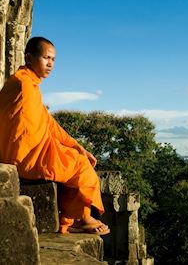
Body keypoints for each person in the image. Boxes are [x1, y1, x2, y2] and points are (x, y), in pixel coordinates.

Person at [0, 36, 109, 235]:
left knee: (77, 158)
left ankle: (72, 218)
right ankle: (80, 219)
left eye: (53, 59)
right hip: (25, 157)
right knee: (81, 166)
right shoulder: (21, 83)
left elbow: (50, 124)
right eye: (45, 58)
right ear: (29, 57)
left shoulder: (30, 84)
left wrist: (78, 147)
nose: (50, 64)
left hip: (29, 152)